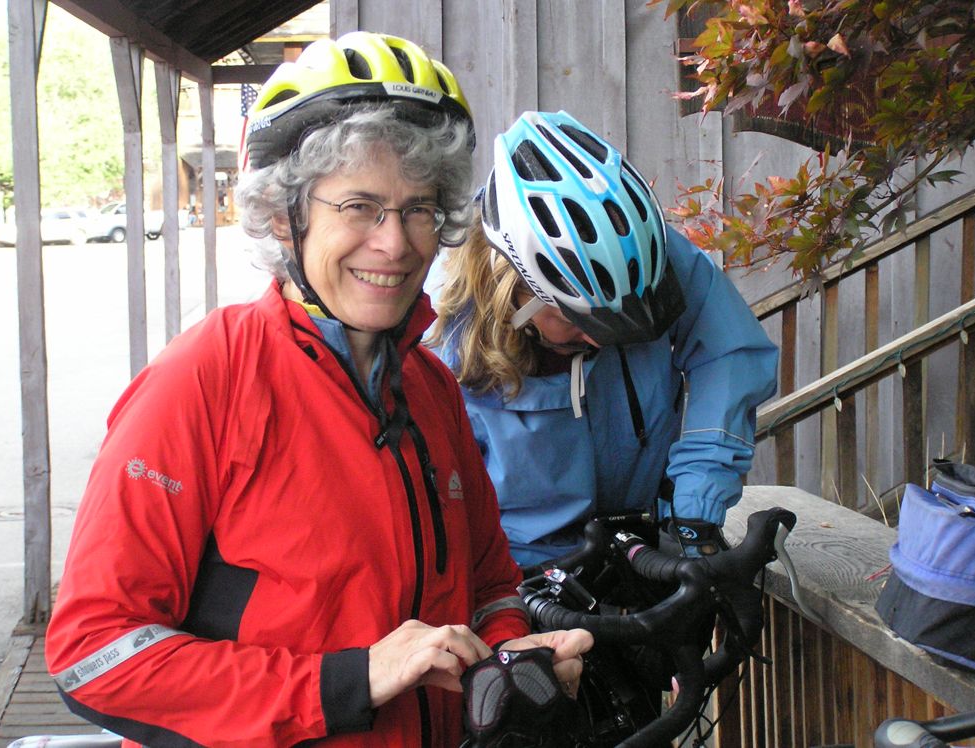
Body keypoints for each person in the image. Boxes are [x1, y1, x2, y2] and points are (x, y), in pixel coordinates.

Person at [45, 34, 591, 748]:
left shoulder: (429, 388)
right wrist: (349, 681)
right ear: (285, 216)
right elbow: (94, 651)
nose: (396, 244)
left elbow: (489, 586)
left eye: (419, 208)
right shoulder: (206, 379)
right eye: (360, 206)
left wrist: (511, 653)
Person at [430, 110, 779, 567]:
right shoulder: (441, 334)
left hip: (642, 537)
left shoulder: (634, 252)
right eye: (580, 321)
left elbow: (729, 353)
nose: (601, 344)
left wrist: (698, 503)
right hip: (520, 568)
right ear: (513, 294)